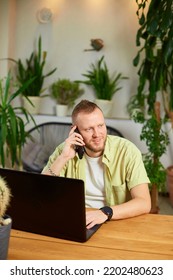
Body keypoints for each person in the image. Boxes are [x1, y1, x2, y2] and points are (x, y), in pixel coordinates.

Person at [42, 100, 151, 229]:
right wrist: (64, 157)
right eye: (89, 129)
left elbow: (144, 203)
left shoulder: (127, 151)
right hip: (77, 220)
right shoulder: (64, 150)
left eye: (100, 126)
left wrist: (105, 212)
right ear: (75, 131)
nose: (97, 134)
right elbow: (42, 191)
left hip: (114, 220)